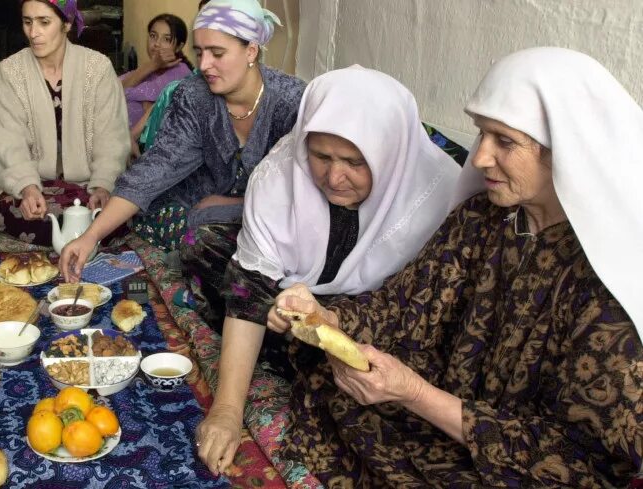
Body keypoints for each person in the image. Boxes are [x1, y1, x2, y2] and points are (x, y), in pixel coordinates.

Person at [267, 48, 642, 487]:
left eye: (504, 141)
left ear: (569, 149)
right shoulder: (484, 216)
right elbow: (407, 306)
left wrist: (416, 394)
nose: (480, 157)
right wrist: (326, 319)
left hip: (530, 455)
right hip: (452, 401)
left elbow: (583, 455)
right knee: (330, 381)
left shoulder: (607, 277)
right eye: (481, 134)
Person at [194, 66, 464, 475]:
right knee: (213, 256)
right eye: (321, 156)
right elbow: (249, 287)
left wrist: (331, 319)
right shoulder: (280, 175)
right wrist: (227, 412)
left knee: (352, 373)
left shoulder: (441, 193)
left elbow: (426, 310)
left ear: (393, 155)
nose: (333, 177)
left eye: (355, 162)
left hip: (385, 319)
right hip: (298, 304)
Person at [61, 0, 307, 322]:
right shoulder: (195, 95)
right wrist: (91, 235)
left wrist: (235, 204)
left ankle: (219, 293)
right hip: (195, 206)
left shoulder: (293, 103)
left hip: (269, 219)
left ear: (251, 51)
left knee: (229, 241)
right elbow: (156, 167)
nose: (204, 64)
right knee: (156, 216)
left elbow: (302, 195)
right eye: (199, 51)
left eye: (217, 53)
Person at [0, 0, 129, 246]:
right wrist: (27, 188)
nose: (33, 32)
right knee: (23, 217)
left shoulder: (98, 69)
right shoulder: (8, 74)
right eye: (27, 22)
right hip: (32, 185)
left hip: (87, 184)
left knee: (111, 216)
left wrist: (103, 186)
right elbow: (8, 142)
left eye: (44, 22)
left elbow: (111, 137)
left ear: (67, 23)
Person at [120, 13, 193, 158]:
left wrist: (135, 94)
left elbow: (122, 92)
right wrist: (151, 66)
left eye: (166, 39)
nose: (157, 44)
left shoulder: (181, 72)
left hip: (144, 155)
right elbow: (111, 90)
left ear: (179, 46)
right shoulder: (149, 69)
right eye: (153, 36)